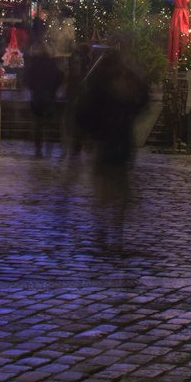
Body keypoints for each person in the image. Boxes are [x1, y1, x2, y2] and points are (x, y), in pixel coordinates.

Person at [72, 38, 150, 250]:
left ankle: (106, 228)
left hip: (108, 142)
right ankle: (112, 229)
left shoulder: (99, 88)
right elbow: (142, 99)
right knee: (117, 192)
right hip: (117, 142)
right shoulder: (116, 88)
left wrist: (88, 135)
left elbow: (83, 113)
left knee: (107, 192)